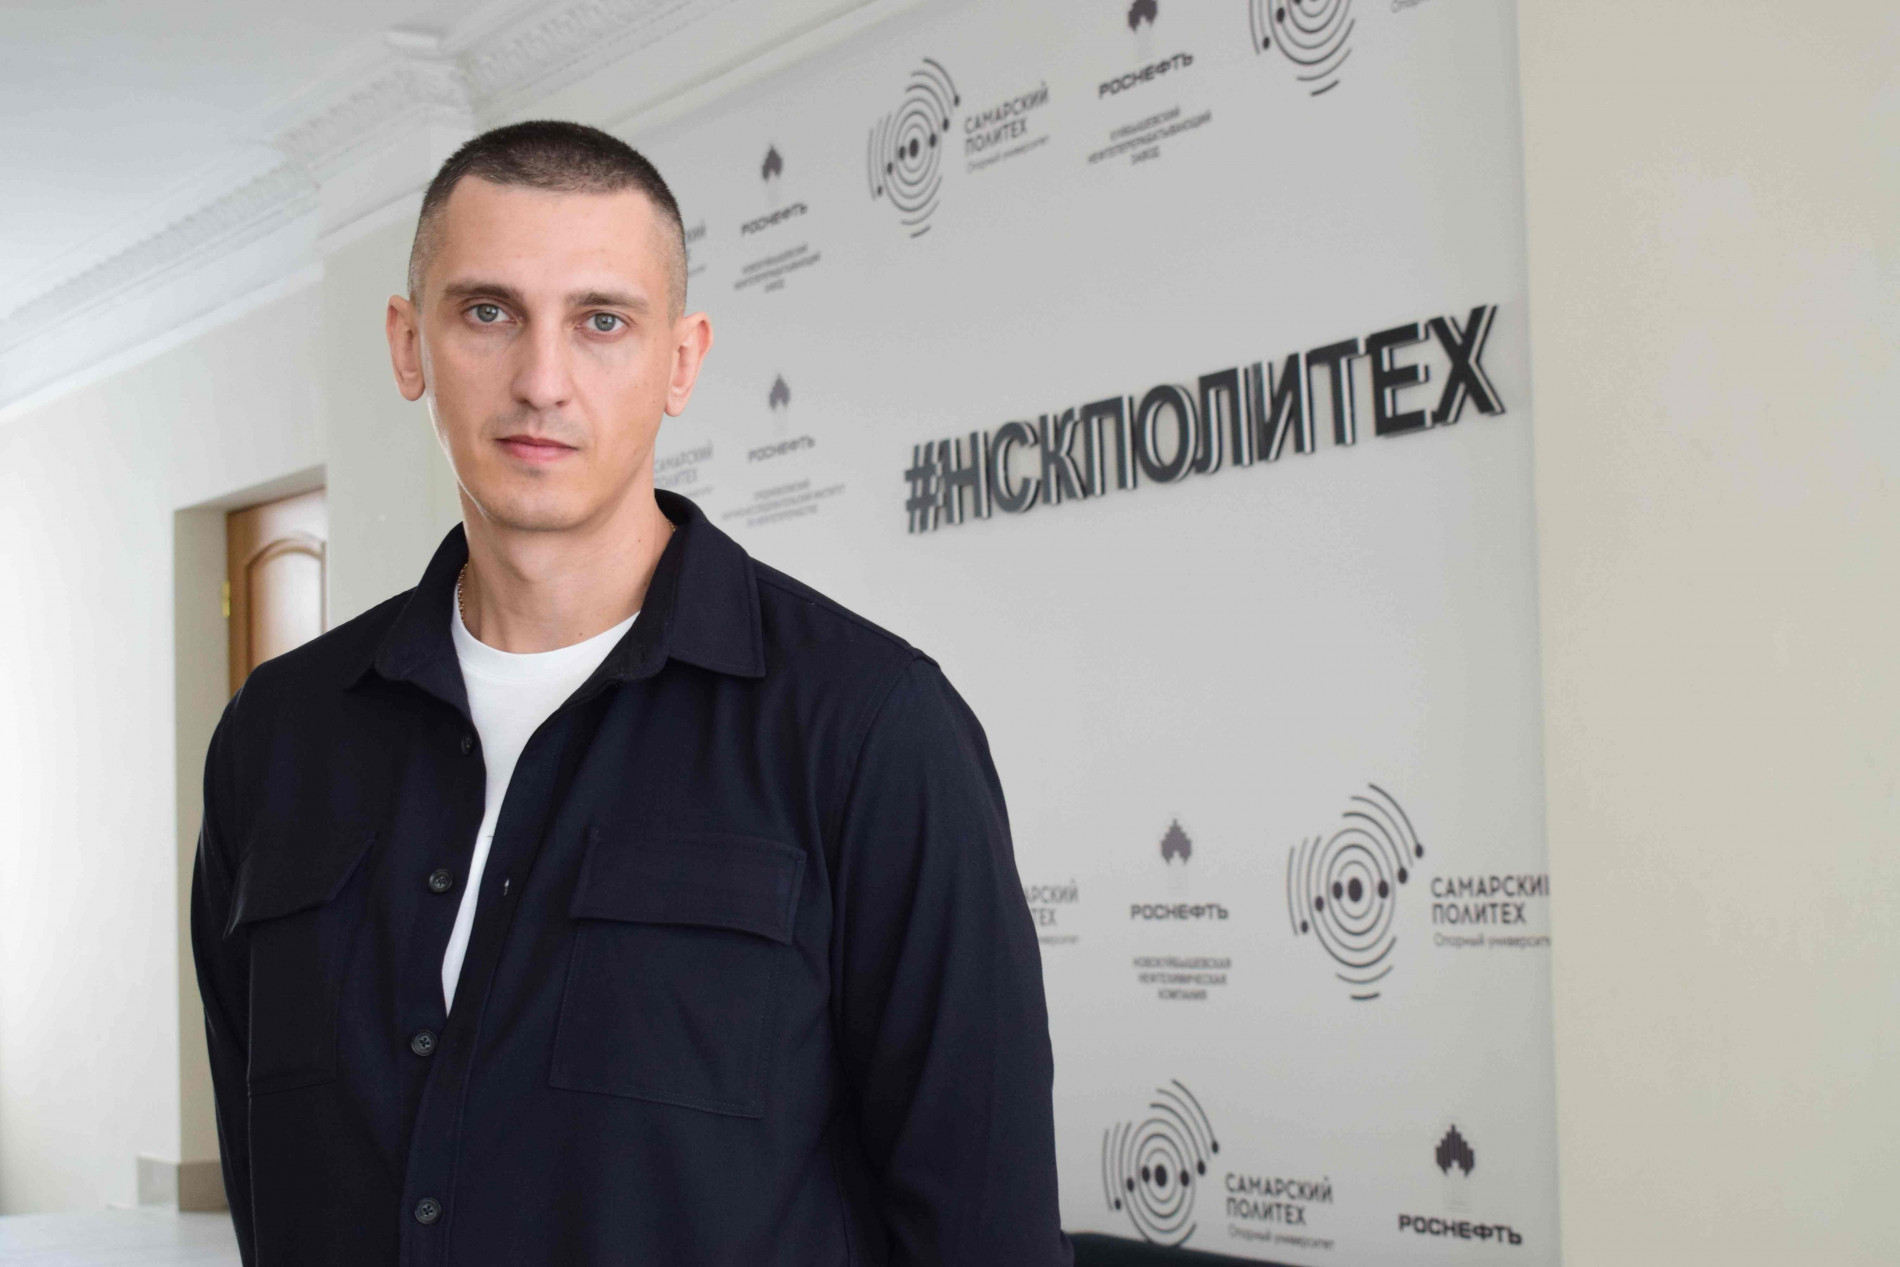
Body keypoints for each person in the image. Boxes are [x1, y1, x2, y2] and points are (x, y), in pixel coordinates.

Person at [190, 120, 1069, 1266]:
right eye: (488, 312)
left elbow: (985, 1234)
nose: (541, 381)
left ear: (681, 362)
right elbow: (273, 1190)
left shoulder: (870, 732)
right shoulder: (277, 737)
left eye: (601, 320)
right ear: (409, 347)